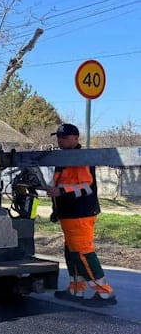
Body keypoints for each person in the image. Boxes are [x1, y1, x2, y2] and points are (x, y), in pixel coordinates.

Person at [46, 123, 117, 306]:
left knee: (83, 252)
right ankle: (76, 289)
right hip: (69, 214)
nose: (60, 140)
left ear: (76, 138)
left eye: (64, 137)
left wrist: (61, 193)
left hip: (81, 214)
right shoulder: (64, 159)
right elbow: (59, 186)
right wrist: (56, 208)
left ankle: (104, 293)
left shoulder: (81, 158)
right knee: (72, 253)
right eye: (59, 137)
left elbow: (87, 187)